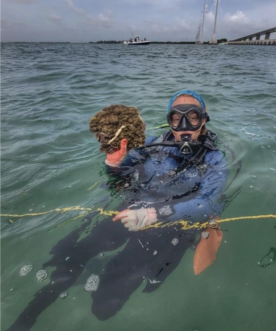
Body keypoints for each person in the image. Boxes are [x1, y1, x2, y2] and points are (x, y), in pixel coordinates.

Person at [7, 90, 228, 331]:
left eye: (193, 117)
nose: (184, 125)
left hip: (166, 224)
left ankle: (104, 271)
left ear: (204, 120)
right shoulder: (153, 144)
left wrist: (156, 214)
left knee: (103, 309)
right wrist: (113, 164)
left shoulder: (215, 159)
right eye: (176, 118)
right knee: (73, 257)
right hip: (129, 210)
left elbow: (209, 203)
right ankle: (25, 319)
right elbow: (118, 181)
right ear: (169, 121)